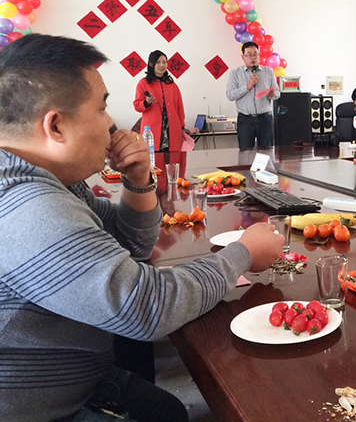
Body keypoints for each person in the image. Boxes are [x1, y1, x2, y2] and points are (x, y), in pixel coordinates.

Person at [0, 34, 284, 421]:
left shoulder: (52, 182)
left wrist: (138, 181)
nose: (111, 123)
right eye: (101, 109)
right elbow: (147, 307)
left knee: (168, 410)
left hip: (84, 378)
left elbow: (129, 245)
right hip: (43, 408)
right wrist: (244, 253)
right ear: (56, 126)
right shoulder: (27, 208)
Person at [133, 50, 187, 171]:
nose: (162, 65)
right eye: (158, 62)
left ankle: (172, 183)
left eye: (164, 62)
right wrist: (147, 102)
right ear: (151, 64)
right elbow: (137, 106)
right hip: (152, 131)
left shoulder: (172, 84)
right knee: (153, 166)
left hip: (171, 129)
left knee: (173, 165)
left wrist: (182, 127)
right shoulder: (143, 83)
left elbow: (179, 107)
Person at [226, 42, 280, 148]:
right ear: (243, 57)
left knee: (266, 152)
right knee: (245, 153)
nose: (253, 58)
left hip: (265, 119)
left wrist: (273, 94)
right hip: (245, 120)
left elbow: (277, 94)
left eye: (255, 54)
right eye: (249, 55)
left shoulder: (268, 72)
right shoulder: (235, 74)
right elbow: (230, 95)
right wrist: (247, 86)